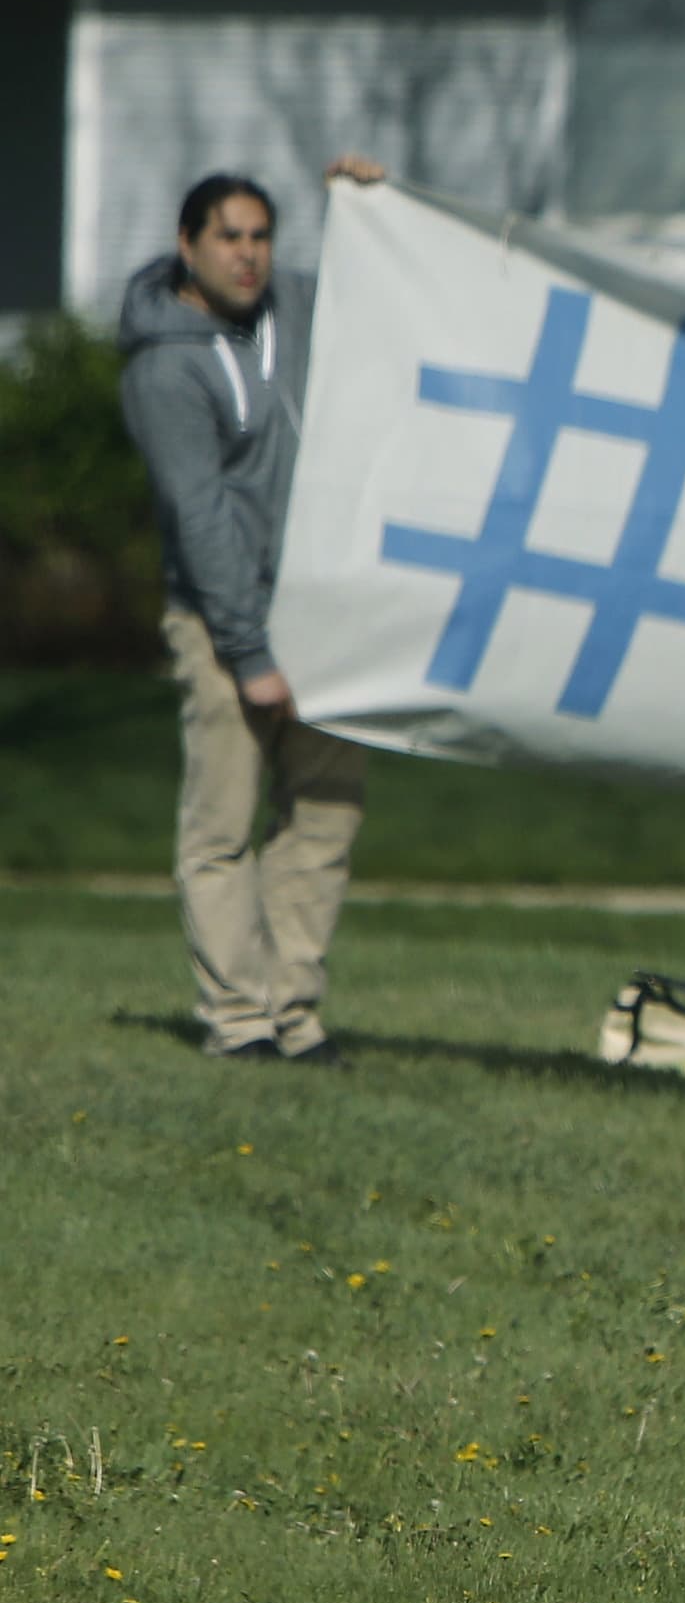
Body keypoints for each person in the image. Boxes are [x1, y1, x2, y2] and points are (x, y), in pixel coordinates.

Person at [118, 158, 386, 1065]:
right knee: (223, 826)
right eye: (227, 236)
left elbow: (383, 278)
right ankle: (237, 1020)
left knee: (323, 815)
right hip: (223, 623)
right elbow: (198, 517)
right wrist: (246, 649)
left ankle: (293, 1012)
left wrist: (365, 199)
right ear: (187, 245)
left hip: (321, 613)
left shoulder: (292, 312)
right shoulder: (164, 368)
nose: (247, 254)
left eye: (261, 236)